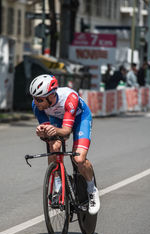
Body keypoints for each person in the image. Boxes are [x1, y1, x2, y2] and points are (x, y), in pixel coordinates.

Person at [30, 74, 100, 215]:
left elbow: (66, 132)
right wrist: (42, 132)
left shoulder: (69, 98)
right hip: (58, 119)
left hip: (80, 119)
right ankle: (58, 186)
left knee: (79, 159)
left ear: (51, 96)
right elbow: (48, 133)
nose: (36, 103)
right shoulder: (37, 106)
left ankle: (92, 189)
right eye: (33, 98)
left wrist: (54, 130)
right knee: (54, 146)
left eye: (39, 99)